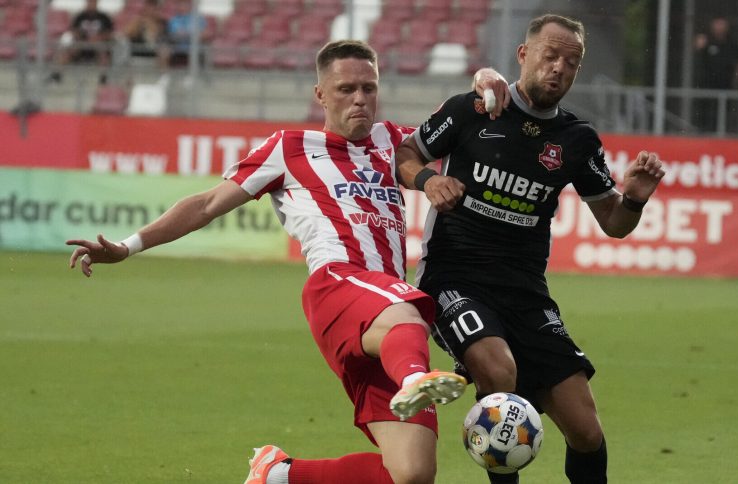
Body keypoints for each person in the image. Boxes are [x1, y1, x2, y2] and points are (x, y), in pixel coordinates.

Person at [67, 40, 508, 484]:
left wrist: (485, 78)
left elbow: (459, 119)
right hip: (339, 286)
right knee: (407, 318)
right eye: (346, 89)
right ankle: (416, 377)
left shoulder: (394, 142)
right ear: (320, 95)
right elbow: (205, 204)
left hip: (384, 315)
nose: (360, 98)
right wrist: (127, 246)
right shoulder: (289, 147)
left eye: (369, 88)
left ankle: (279, 474)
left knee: (410, 474)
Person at [395, 14, 664, 484]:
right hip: (454, 278)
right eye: (550, 56)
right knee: (498, 373)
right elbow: (405, 153)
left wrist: (636, 197)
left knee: (586, 431)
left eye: (571, 62)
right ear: (524, 55)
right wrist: (429, 179)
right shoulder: (471, 110)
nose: (559, 68)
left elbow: (614, 223)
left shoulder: (577, 140)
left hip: (526, 293)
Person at [693, 17, 738, 134]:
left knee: (723, 111)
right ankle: (703, 132)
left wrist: (736, 80)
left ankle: (721, 132)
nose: (719, 27)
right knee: (705, 109)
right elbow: (696, 48)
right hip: (707, 83)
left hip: (725, 83)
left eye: (722, 24)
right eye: (717, 24)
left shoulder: (732, 44)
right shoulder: (707, 41)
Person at [49, 0, 114, 83]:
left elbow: (110, 33)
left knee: (103, 52)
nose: (91, 4)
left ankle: (104, 77)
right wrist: (83, 38)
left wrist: (98, 38)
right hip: (82, 45)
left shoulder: (104, 18)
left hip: (98, 46)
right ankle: (57, 74)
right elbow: (73, 32)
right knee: (68, 51)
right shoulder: (80, 17)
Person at [158, 0, 210, 69]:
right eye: (179, 4)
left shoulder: (199, 19)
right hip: (177, 47)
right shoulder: (173, 20)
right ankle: (164, 75)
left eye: (184, 4)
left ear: (190, 5)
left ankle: (194, 76)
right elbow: (175, 35)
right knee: (163, 49)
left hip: (194, 47)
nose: (181, 6)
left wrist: (189, 34)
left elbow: (205, 34)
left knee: (197, 50)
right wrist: (193, 34)